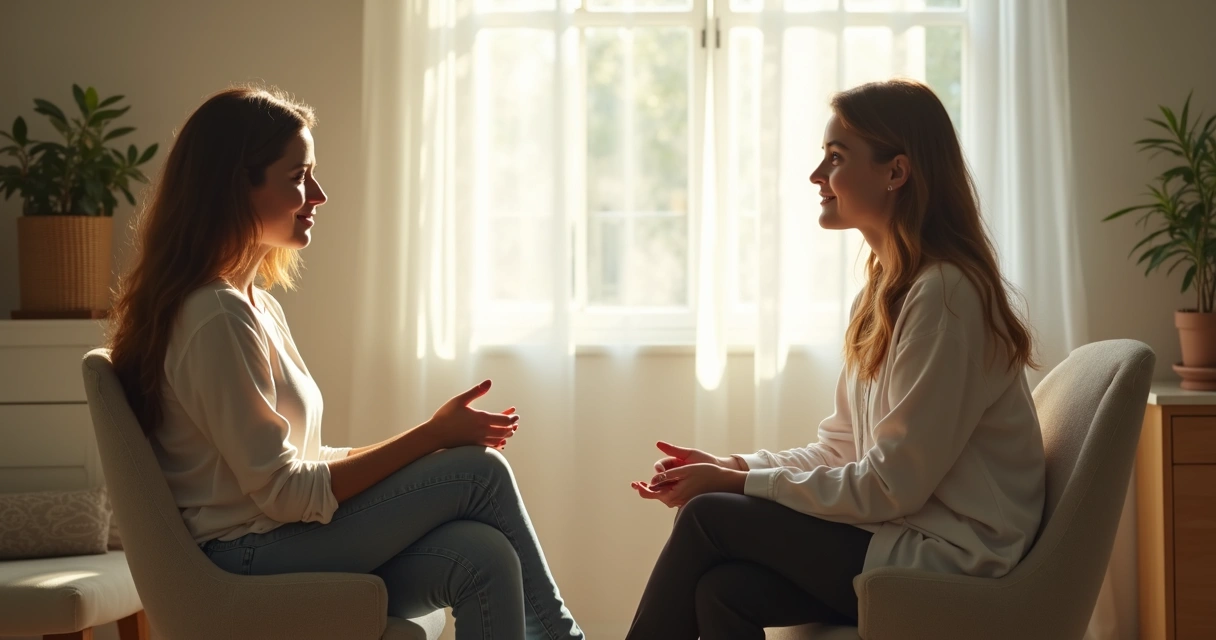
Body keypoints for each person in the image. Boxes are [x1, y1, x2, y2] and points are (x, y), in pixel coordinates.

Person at [108, 85, 583, 640]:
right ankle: (562, 636)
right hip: (246, 556)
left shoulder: (254, 304)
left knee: (483, 555)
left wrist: (433, 437)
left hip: (275, 536)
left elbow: (305, 460)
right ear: (238, 185)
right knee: (481, 471)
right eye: (297, 177)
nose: (319, 194)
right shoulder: (214, 316)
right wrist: (431, 438)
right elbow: (286, 492)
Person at [626, 79, 1046, 639]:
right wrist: (735, 467)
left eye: (836, 158)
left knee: (707, 517)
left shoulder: (946, 297)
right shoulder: (884, 291)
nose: (816, 176)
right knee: (722, 592)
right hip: (906, 532)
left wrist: (734, 488)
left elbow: (891, 487)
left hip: (955, 557)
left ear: (896, 172)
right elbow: (841, 447)